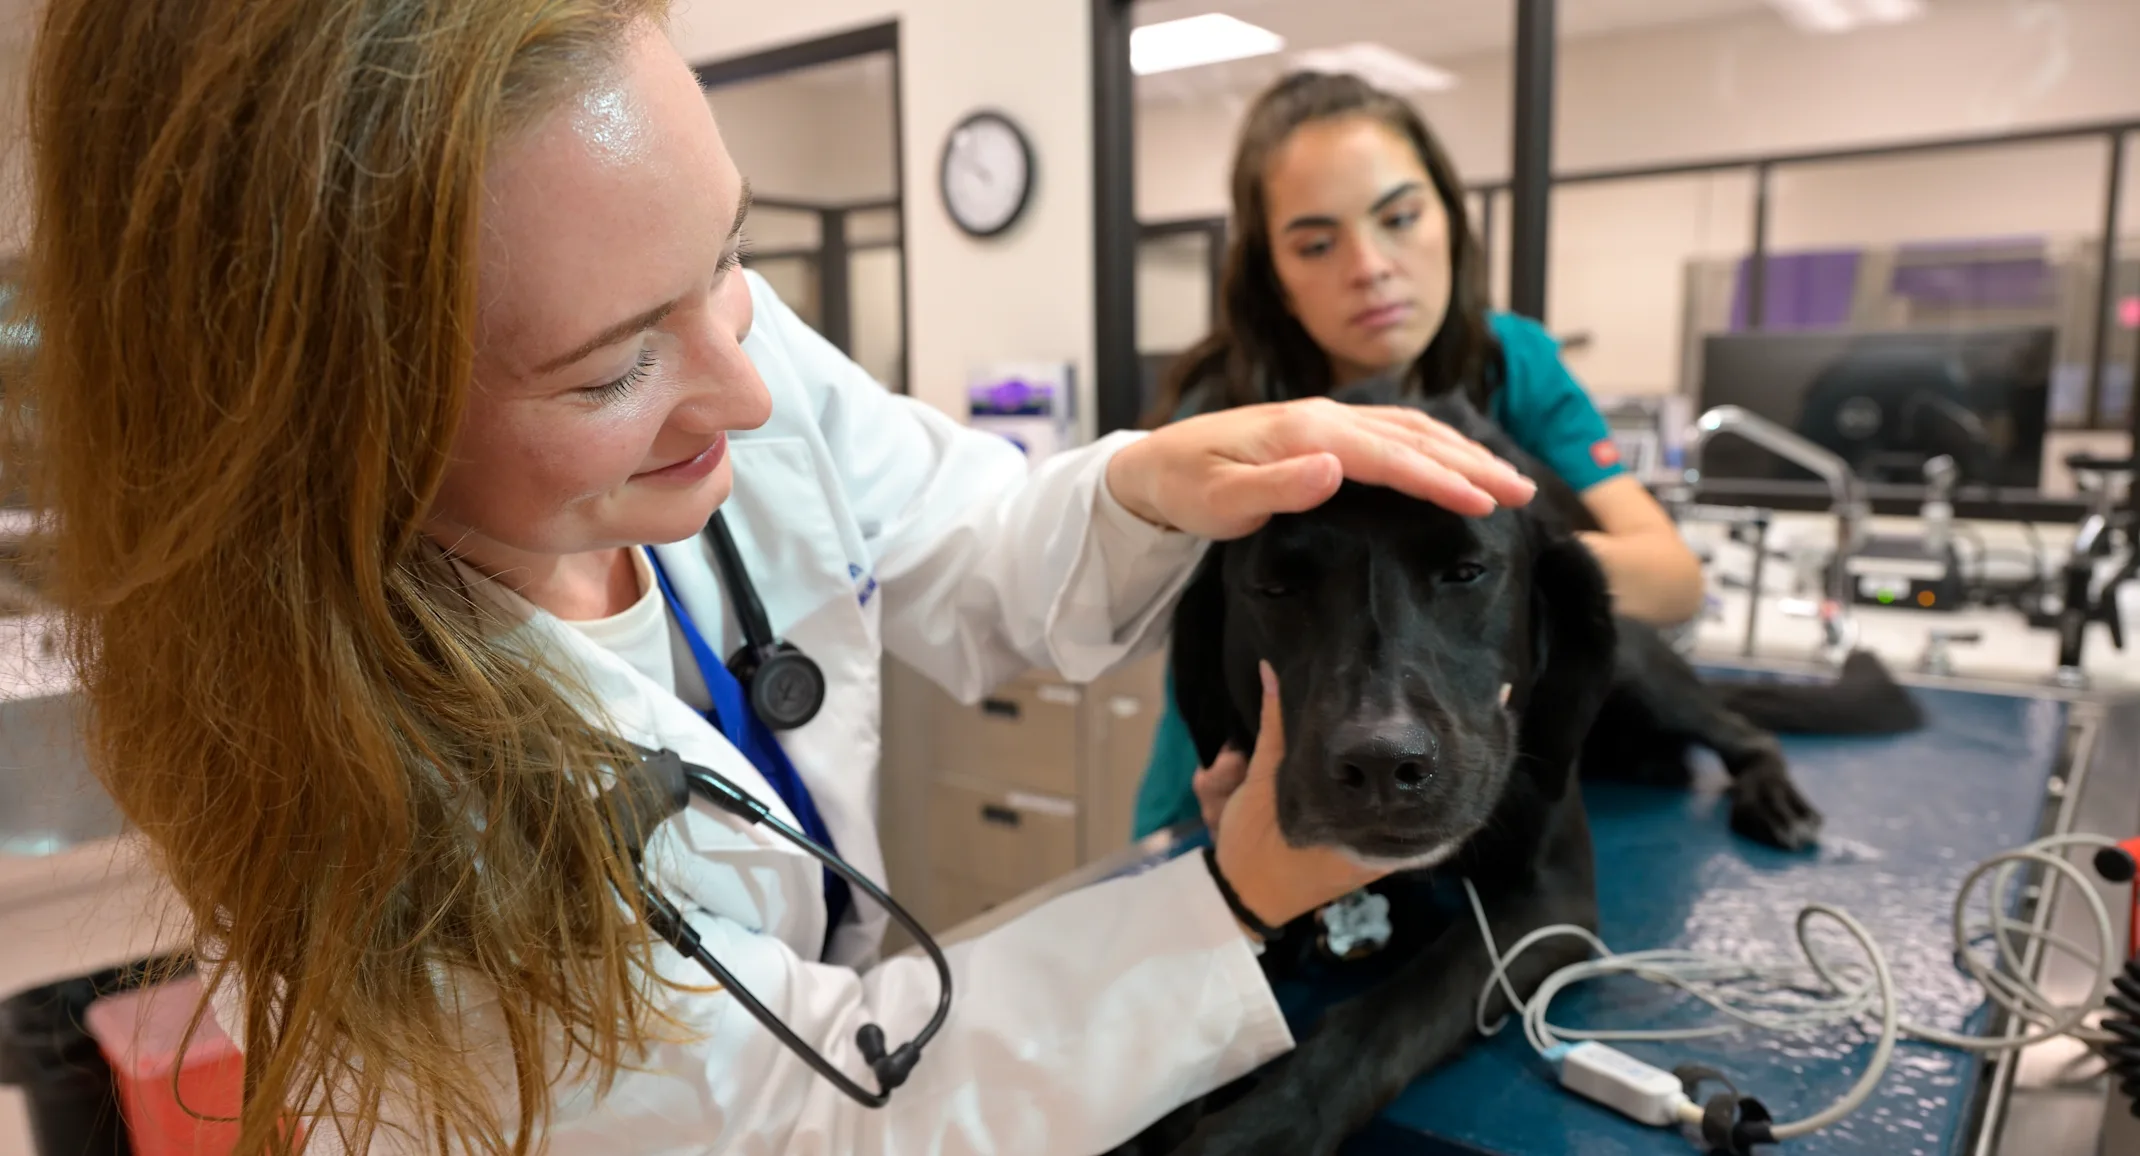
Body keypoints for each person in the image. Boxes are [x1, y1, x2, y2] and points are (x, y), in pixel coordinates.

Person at [20, 5, 1541, 1153]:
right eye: (615, 365)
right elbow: (821, 1119)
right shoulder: (388, 851)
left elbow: (951, 537)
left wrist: (1146, 481)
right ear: (317, 431)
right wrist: (1227, 896)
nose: (746, 394)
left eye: (730, 260)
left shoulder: (697, 338)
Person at [1132, 71, 1705, 840]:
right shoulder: (1222, 411)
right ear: (1275, 275)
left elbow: (1672, 580)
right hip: (1248, 784)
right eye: (1316, 243)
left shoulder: (1514, 364)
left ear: (1449, 219)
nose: (1368, 266)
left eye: (1399, 217)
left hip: (1443, 774)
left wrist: (1500, 562)